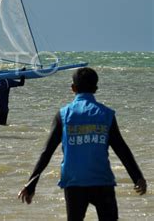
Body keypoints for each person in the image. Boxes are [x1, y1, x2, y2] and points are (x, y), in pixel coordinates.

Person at [18, 67, 147, 220]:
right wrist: (137, 177)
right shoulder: (106, 114)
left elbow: (47, 151)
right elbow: (121, 149)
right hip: (102, 182)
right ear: (96, 88)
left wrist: (32, 183)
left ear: (73, 88)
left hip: (74, 183)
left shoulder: (63, 115)